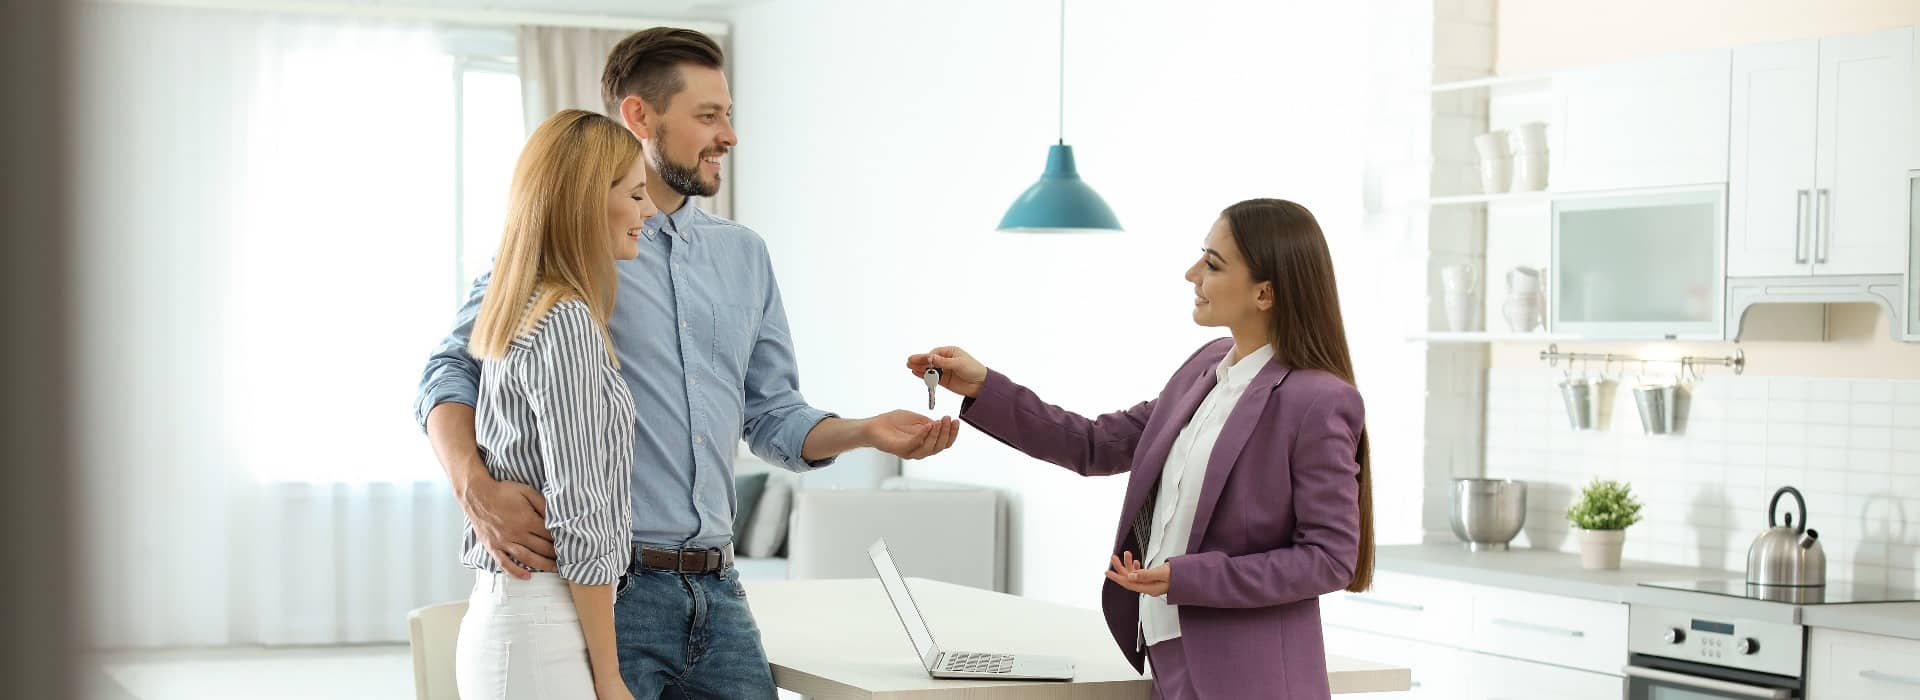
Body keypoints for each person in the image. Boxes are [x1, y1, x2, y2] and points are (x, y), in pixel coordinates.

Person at [417, 28, 958, 698]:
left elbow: (772, 417)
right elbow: (449, 371)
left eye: (728, 115)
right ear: (640, 115)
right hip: (609, 586)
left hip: (717, 591)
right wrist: (471, 483)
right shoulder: (565, 261)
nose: (728, 135)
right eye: (708, 116)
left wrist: (867, 430)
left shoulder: (743, 256)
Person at [908, 198, 1374, 699]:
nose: (1191, 274)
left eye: (1213, 264)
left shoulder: (1318, 401)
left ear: (1264, 293)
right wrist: (984, 388)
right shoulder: (1207, 368)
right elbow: (1093, 443)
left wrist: (1187, 577)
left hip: (1249, 679)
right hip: (1166, 657)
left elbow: (1327, 558)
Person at [452, 109, 652, 700]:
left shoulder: (520, 308)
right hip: (545, 623)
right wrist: (610, 676)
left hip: (513, 617)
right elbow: (583, 511)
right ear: (589, 202)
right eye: (636, 194)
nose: (648, 211)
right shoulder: (565, 320)